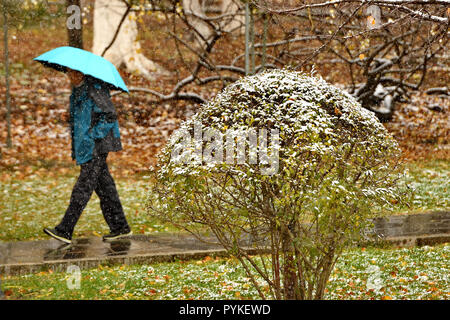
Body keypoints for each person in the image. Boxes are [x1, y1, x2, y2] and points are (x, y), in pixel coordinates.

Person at [43, 69, 131, 244]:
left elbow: (109, 116)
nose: (70, 76)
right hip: (86, 146)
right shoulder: (78, 91)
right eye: (68, 72)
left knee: (82, 188)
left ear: (82, 73)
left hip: (95, 147)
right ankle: (120, 227)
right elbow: (86, 117)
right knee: (105, 188)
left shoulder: (95, 89)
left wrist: (94, 135)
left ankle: (65, 229)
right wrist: (70, 117)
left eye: (73, 72)